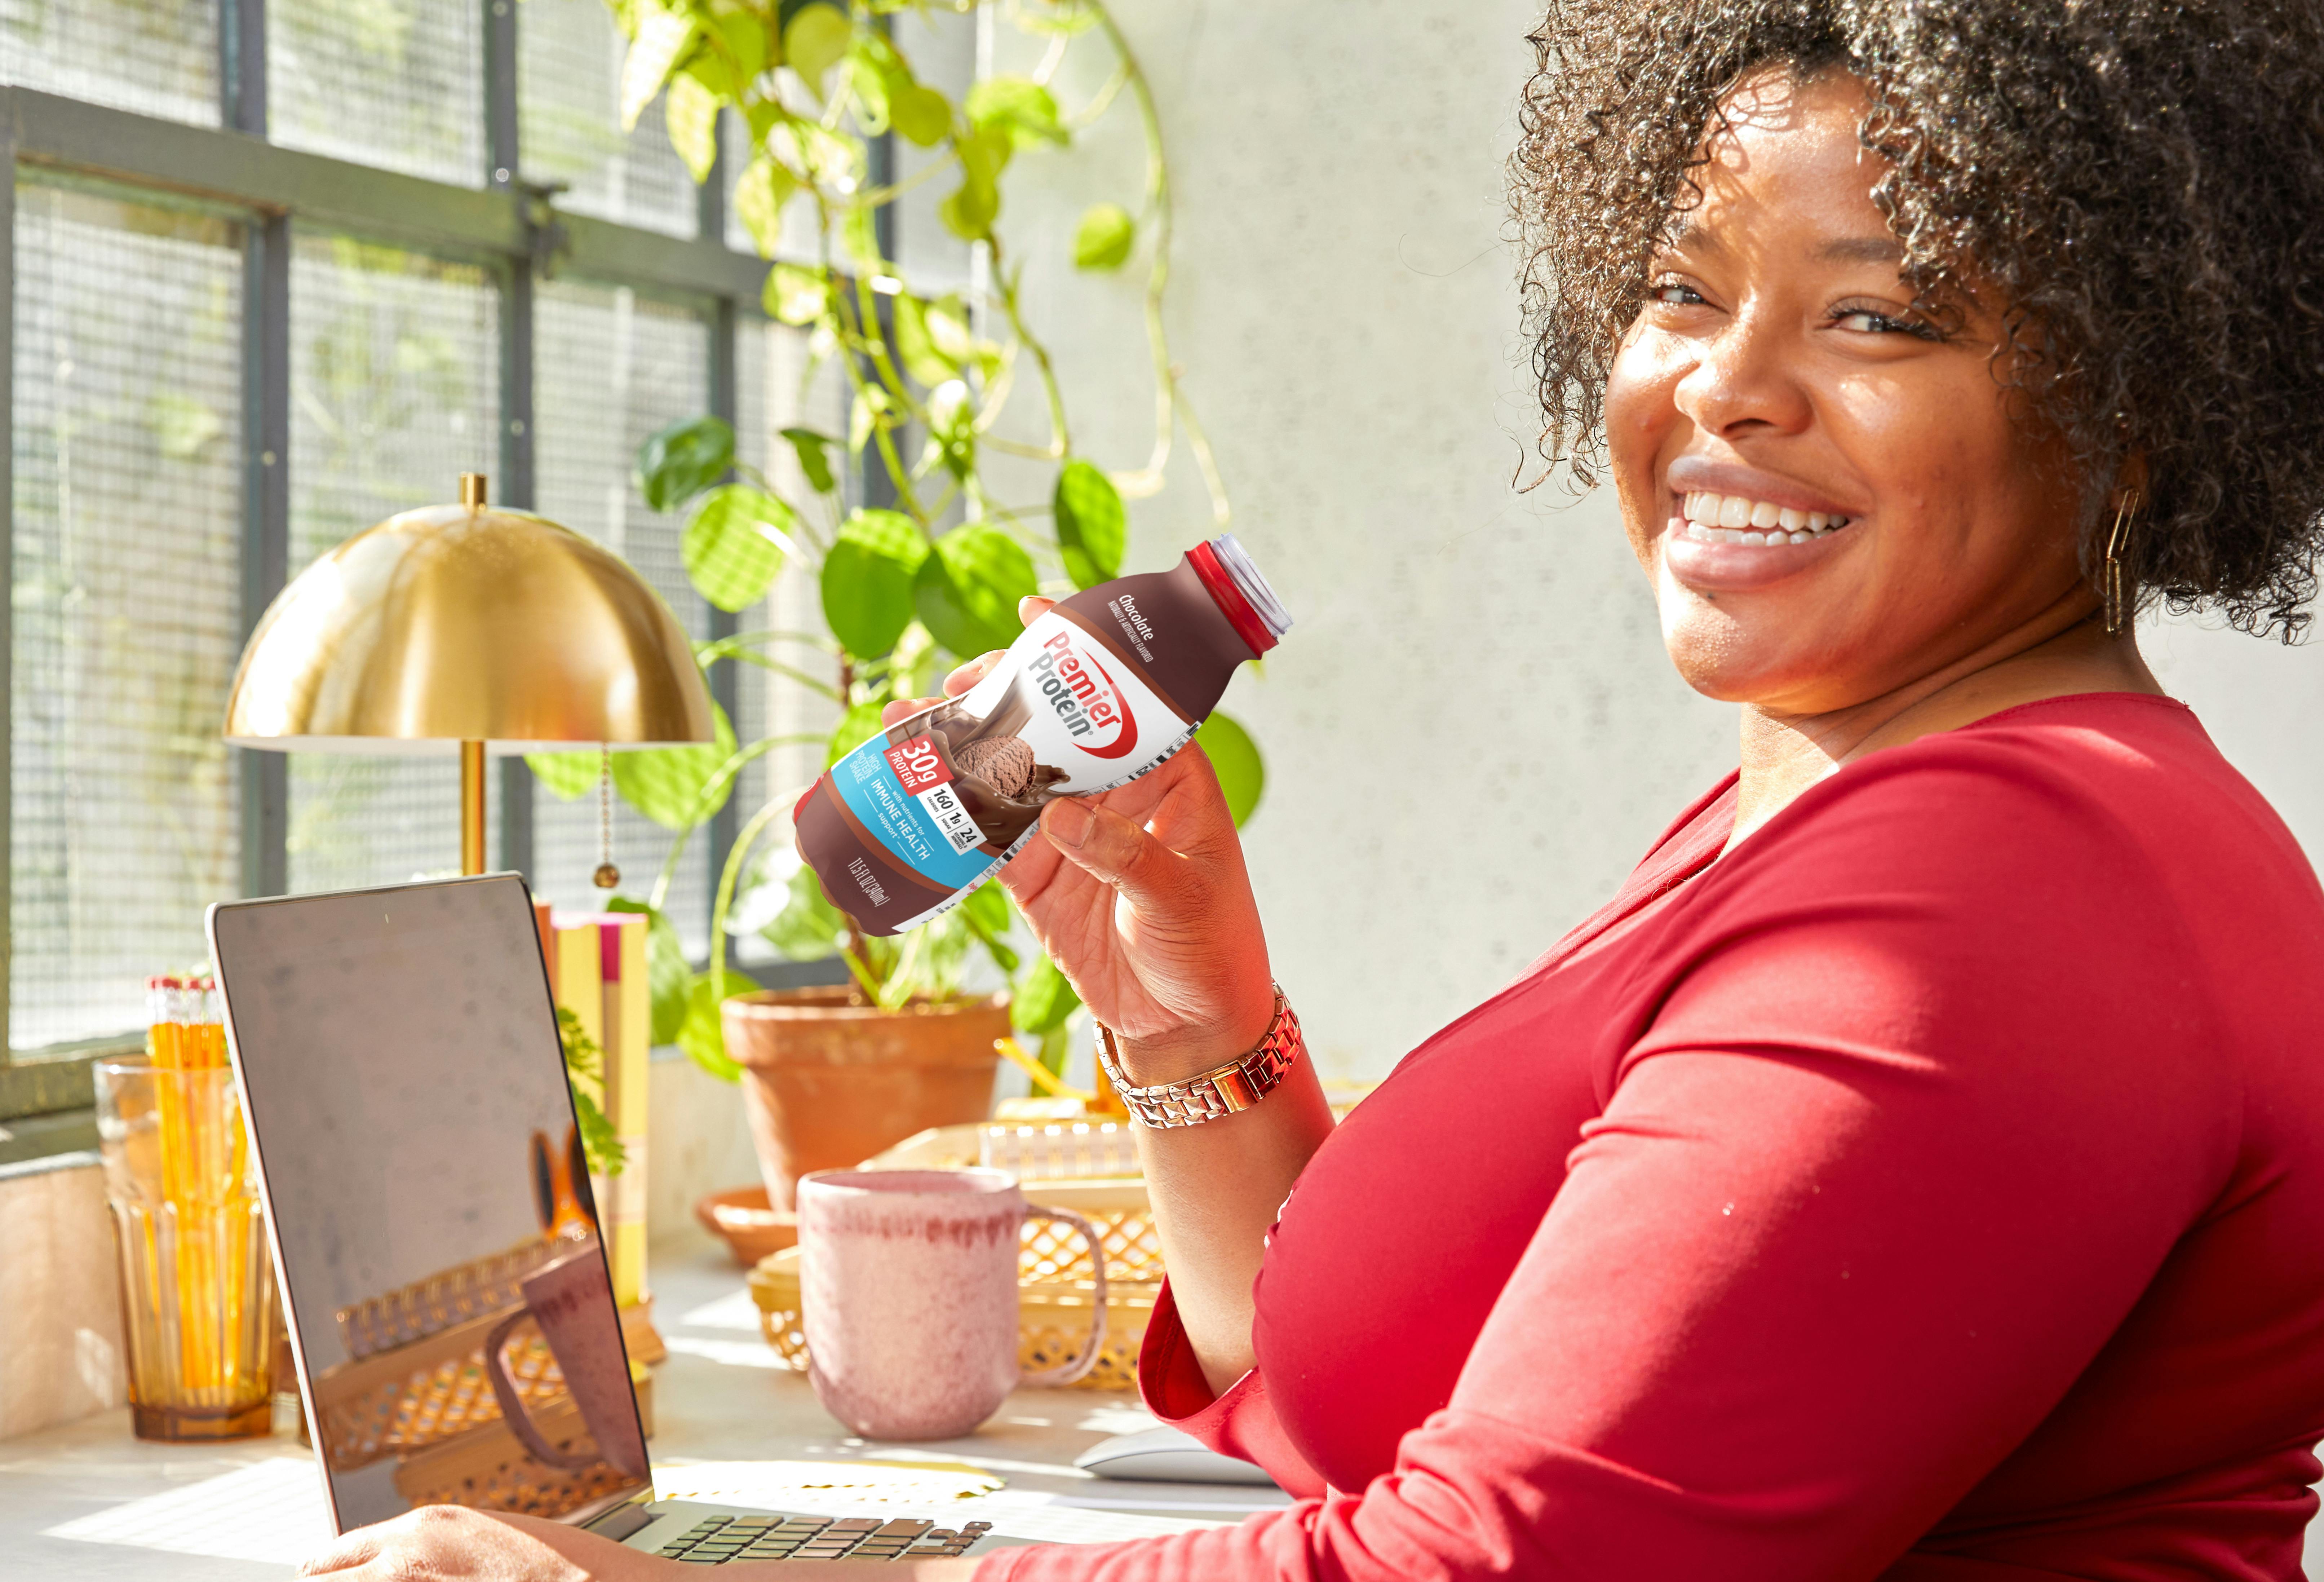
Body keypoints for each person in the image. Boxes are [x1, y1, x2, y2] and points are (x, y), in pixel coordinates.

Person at [300, 1, 2324, 1578]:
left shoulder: (2001, 888)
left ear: (2135, 411)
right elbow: (1377, 1397)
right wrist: (1188, 1021)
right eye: (1684, 287)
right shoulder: (1859, 802)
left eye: (1876, 313)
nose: (1728, 382)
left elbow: (1501, 1567)